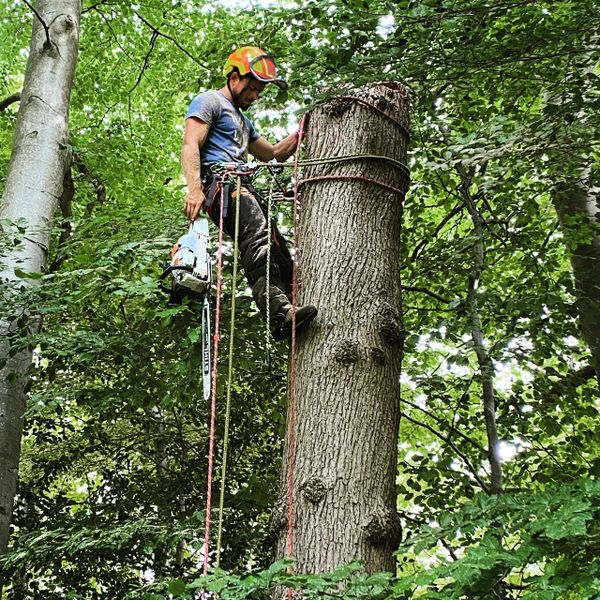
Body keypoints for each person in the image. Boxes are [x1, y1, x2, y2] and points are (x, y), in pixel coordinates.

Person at [181, 46, 317, 341]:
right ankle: (279, 314)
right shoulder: (210, 101)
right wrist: (194, 190)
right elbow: (191, 143)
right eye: (252, 88)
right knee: (257, 237)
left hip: (243, 187)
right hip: (222, 185)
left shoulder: (244, 122)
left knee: (278, 249)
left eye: (259, 91)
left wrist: (305, 126)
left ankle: (291, 303)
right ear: (234, 77)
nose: (254, 96)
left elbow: (272, 153)